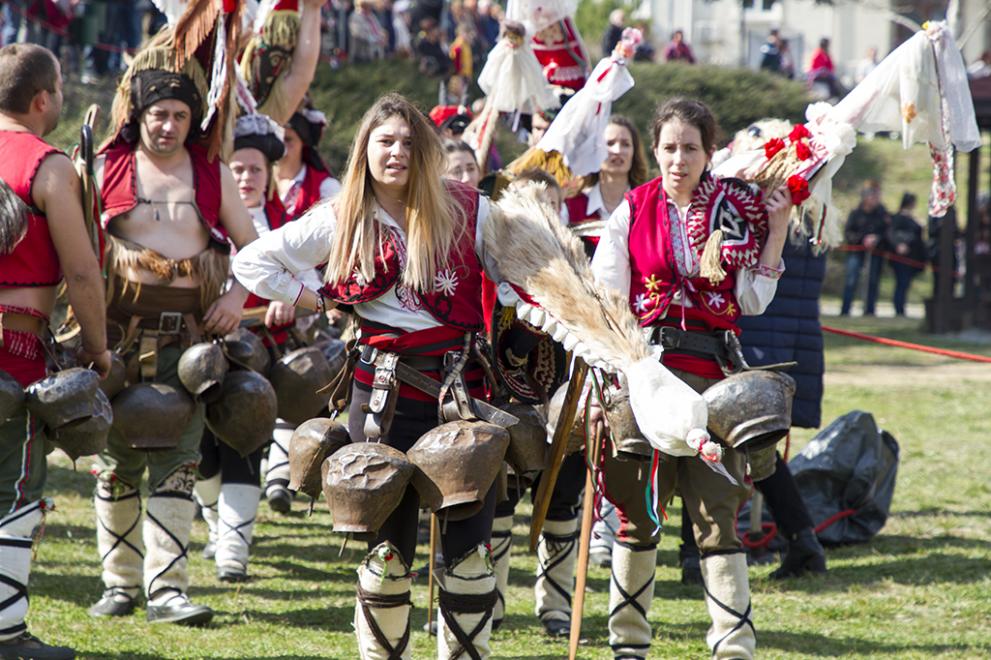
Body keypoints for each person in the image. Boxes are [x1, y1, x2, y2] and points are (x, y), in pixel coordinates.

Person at [233, 93, 507, 659]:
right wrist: (312, 297)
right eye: (385, 141)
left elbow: (522, 277)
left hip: (460, 394)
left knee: (470, 555)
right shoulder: (343, 217)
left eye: (409, 143)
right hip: (381, 397)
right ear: (365, 150)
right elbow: (251, 262)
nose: (398, 152)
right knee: (388, 555)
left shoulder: (468, 209)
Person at [590, 98, 792, 659]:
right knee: (638, 513)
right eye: (670, 148)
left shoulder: (736, 211)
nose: (679, 159)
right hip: (651, 377)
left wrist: (775, 231)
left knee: (717, 517)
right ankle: (628, 645)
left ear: (709, 154)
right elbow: (606, 294)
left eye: (691, 149)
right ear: (654, 152)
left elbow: (750, 299)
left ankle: (734, 646)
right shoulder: (632, 209)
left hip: (715, 380)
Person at [88, 35, 258, 625]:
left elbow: (256, 251)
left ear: (193, 121)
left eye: (180, 116)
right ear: (139, 115)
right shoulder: (104, 165)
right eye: (158, 114)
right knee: (116, 463)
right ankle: (119, 584)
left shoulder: (211, 174)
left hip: (188, 349)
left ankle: (168, 589)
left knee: (179, 462)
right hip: (115, 341)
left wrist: (236, 297)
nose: (168, 126)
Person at [0, 42, 111, 659]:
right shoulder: (48, 166)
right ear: (43, 99)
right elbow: (84, 273)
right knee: (14, 491)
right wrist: (98, 352)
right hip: (12, 350)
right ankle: (6, 634)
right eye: (61, 89)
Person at [194, 114, 321, 581]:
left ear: (269, 177)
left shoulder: (289, 228)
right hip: (196, 350)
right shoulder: (201, 221)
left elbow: (313, 288)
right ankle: (216, 527)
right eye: (238, 170)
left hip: (259, 355)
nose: (246, 178)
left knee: (242, 442)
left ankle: (234, 550)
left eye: (255, 171)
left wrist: (289, 301)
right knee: (200, 449)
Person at [562, 115, 648, 258]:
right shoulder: (572, 205)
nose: (617, 150)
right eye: (610, 143)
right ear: (595, 151)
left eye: (625, 144)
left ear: (634, 152)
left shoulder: (646, 205)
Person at [840, 180, 889, 316]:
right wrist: (862, 239)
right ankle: (845, 309)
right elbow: (848, 233)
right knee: (851, 280)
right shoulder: (856, 213)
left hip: (875, 252)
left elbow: (887, 232)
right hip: (856, 252)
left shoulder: (882, 214)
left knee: (873, 281)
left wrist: (877, 239)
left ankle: (869, 310)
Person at [888, 192, 926, 316]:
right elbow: (892, 233)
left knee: (905, 283)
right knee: (901, 283)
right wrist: (899, 244)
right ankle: (899, 308)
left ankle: (901, 307)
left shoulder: (911, 218)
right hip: (901, 258)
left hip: (912, 256)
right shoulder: (899, 218)